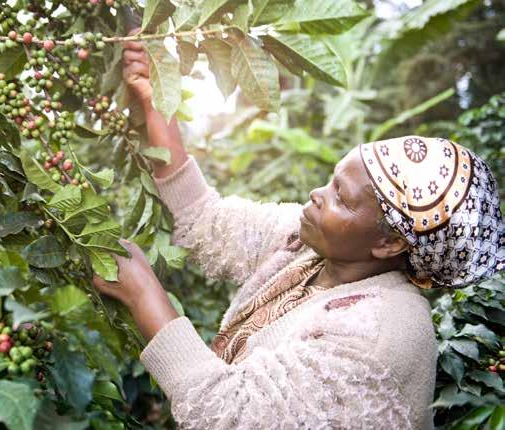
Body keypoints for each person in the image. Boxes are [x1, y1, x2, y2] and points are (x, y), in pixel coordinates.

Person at [93, 36, 504, 429]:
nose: (316, 195)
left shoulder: (381, 336)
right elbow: (204, 218)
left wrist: (143, 293)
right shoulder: (309, 245)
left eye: (341, 198)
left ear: (389, 243)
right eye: (331, 181)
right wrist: (154, 98)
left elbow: (229, 415)